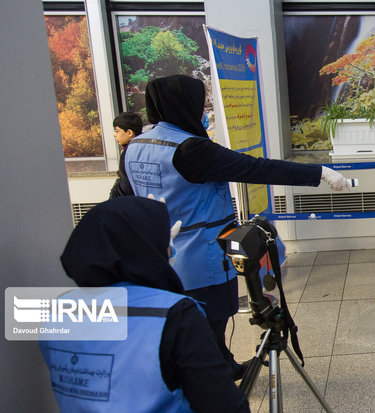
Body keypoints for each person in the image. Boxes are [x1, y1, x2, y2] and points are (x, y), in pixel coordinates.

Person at [123, 74, 351, 379]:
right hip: (200, 260)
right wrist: (319, 172)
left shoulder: (136, 145)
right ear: (184, 104)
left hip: (158, 257)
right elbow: (255, 168)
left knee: (187, 325)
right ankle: (213, 385)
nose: (204, 109)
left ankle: (225, 367)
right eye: (200, 102)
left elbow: (122, 198)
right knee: (208, 326)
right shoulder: (191, 149)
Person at [39, 197, 250, 412]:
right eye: (160, 240)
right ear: (142, 248)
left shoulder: (57, 310)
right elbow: (225, 405)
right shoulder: (176, 314)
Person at [109, 112, 142, 198]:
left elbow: (125, 187)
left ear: (129, 133)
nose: (114, 135)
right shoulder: (142, 149)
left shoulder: (128, 152)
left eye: (117, 131)